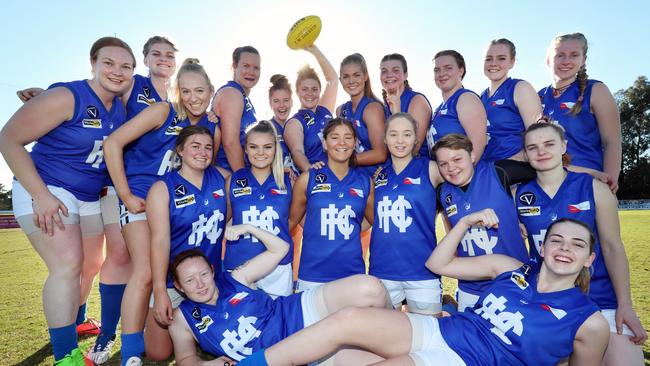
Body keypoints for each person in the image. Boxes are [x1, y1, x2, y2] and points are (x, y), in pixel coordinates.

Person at [241, 214, 610, 366]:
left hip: (467, 361)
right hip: (443, 329)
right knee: (349, 320)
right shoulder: (513, 268)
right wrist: (464, 222)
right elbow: (438, 264)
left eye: (577, 245)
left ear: (590, 259)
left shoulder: (588, 322)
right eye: (557, 240)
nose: (564, 249)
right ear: (542, 247)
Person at [15, 37, 179, 357]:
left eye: (170, 55)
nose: (163, 59)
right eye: (155, 54)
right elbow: (85, 96)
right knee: (93, 259)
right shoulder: (130, 86)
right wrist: (47, 96)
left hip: (122, 192)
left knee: (92, 261)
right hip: (90, 187)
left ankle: (79, 319)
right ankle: (90, 344)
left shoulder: (163, 99)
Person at [0, 36, 135, 365]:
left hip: (89, 195)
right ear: (92, 64)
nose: (117, 71)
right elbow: (8, 140)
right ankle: (66, 356)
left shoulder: (120, 106)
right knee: (67, 265)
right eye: (109, 63)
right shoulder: (67, 95)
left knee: (91, 264)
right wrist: (41, 195)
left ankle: (78, 320)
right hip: (48, 187)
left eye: (125, 66)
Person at [103, 58, 219, 365]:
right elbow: (113, 143)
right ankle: (130, 354)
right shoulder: (163, 111)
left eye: (200, 90)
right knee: (144, 272)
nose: (194, 98)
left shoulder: (210, 125)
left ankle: (161, 326)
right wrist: (125, 193)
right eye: (186, 91)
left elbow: (211, 168)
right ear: (177, 92)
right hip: (141, 199)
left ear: (211, 90)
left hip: (175, 206)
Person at [516, 122, 647, 365]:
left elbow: (612, 247)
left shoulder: (595, 189)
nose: (541, 151)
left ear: (563, 146)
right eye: (532, 147)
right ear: (525, 154)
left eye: (549, 144)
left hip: (600, 296)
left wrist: (625, 305)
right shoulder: (517, 196)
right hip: (550, 300)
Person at [168, 225, 389, 364]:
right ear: (178, 286)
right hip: (284, 354)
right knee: (382, 361)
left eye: (204, 274)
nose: (200, 284)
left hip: (297, 312)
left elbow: (280, 249)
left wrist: (249, 228)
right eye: (189, 280)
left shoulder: (235, 278)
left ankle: (397, 333)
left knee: (370, 288)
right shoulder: (183, 318)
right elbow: (186, 359)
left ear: (213, 271)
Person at [147, 125, 229, 361]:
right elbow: (159, 242)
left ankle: (192, 328)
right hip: (175, 282)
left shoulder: (223, 178)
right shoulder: (162, 188)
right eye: (195, 146)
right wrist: (161, 291)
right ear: (180, 150)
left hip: (210, 281)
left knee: (218, 344)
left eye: (208, 147)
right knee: (158, 354)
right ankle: (152, 314)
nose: (203, 152)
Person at [433, 134, 530, 311]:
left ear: (472, 156)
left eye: (457, 159)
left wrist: (522, 217)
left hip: (512, 281)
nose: (451, 168)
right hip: (470, 287)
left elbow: (545, 173)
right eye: (443, 164)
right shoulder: (442, 192)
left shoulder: (499, 172)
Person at [369, 113, 444, 315]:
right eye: (393, 134)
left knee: (429, 339)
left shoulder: (431, 168)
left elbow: (462, 181)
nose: (400, 141)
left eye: (407, 134)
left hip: (423, 270)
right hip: (383, 271)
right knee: (382, 342)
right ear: (385, 138)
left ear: (416, 139)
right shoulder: (378, 175)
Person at [290, 118, 374, 291]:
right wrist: (317, 225)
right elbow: (294, 219)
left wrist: (347, 227)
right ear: (325, 143)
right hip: (313, 274)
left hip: (351, 273)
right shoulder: (308, 178)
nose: (342, 142)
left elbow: (373, 219)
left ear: (355, 143)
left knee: (351, 319)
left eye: (348, 137)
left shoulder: (365, 181)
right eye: (335, 137)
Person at [539, 32, 621, 192]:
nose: (566, 61)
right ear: (549, 60)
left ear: (583, 60)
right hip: (546, 184)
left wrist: (609, 182)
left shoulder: (596, 90)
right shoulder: (538, 96)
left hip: (587, 182)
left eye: (574, 55)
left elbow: (612, 142)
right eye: (560, 55)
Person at [224, 121, 294, 297]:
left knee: (278, 321)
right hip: (241, 265)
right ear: (245, 149)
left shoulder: (288, 180)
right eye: (254, 147)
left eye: (267, 147)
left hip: (278, 266)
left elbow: (292, 221)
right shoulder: (233, 181)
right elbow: (222, 221)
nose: (260, 153)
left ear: (276, 149)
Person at [480, 38, 541, 162]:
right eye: (488, 59)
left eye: (501, 58)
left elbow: (538, 136)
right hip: (485, 167)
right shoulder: (481, 97)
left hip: (512, 168)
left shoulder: (520, 88)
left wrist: (515, 161)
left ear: (512, 62)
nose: (493, 63)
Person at [284, 45, 337, 173]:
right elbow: (297, 152)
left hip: (337, 175)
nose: (310, 94)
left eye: (314, 89)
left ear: (320, 91)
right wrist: (311, 172)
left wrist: (314, 50)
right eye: (304, 89)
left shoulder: (324, 111)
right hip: (318, 178)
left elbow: (333, 80)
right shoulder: (294, 123)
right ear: (297, 92)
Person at [428, 50, 487, 160]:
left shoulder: (466, 99)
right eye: (437, 70)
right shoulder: (439, 108)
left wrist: (463, 174)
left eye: (448, 68)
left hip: (463, 174)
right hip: (445, 173)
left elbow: (478, 144)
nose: (441, 74)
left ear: (461, 70)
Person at [212, 46, 260, 171]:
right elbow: (230, 143)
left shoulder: (243, 96)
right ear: (234, 66)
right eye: (246, 66)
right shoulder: (232, 93)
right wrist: (244, 180)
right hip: (227, 175)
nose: (251, 72)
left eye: (256, 68)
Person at [338, 53, 387, 175]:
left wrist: (342, 159)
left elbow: (380, 154)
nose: (351, 81)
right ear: (340, 80)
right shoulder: (341, 110)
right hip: (351, 176)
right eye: (345, 77)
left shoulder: (372, 109)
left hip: (377, 176)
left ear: (365, 76)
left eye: (356, 75)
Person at [380, 53, 432, 158]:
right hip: (391, 167)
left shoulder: (417, 101)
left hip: (416, 168)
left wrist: (397, 112)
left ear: (405, 75)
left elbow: (412, 149)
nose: (389, 75)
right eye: (384, 71)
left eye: (395, 70)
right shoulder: (382, 105)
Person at [267, 74, 297, 173]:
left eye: (286, 100)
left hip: (297, 183)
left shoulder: (298, 126)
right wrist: (278, 169)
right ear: (270, 103)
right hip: (274, 184)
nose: (282, 106)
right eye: (276, 101)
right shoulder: (265, 128)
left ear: (292, 102)